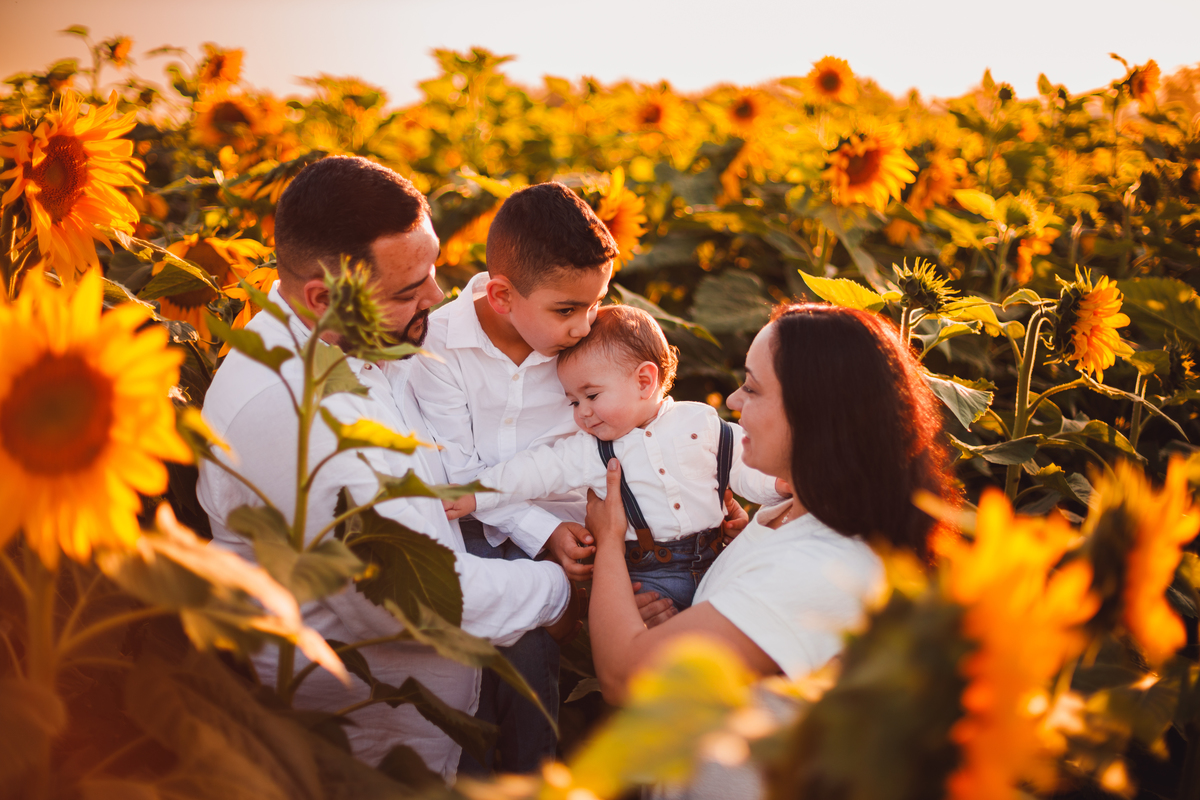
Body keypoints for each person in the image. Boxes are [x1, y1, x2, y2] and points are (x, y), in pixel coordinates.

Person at [195, 156, 580, 777]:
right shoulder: (300, 410)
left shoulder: (360, 341)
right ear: (323, 297)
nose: (436, 295)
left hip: (434, 729)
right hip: (370, 755)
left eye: (430, 272)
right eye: (408, 290)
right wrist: (559, 595)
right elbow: (413, 601)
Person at [583, 303, 956, 701]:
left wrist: (608, 539)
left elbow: (626, 680)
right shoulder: (787, 516)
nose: (732, 400)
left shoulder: (824, 567)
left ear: (812, 413)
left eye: (753, 388)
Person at [403, 182, 617, 774]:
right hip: (478, 529)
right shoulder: (439, 344)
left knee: (533, 682)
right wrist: (542, 533)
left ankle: (532, 776)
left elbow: (626, 420)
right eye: (568, 310)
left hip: (574, 539)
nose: (584, 325)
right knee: (477, 672)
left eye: (596, 303)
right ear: (501, 296)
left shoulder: (585, 348)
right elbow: (459, 472)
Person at [445, 304, 786, 610]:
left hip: (718, 561)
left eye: (591, 395)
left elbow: (743, 464)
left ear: (644, 381)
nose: (583, 413)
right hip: (651, 578)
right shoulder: (589, 450)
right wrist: (476, 493)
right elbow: (534, 470)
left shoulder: (699, 421)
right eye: (574, 402)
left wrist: (779, 483)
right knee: (653, 651)